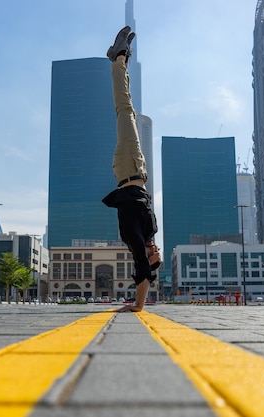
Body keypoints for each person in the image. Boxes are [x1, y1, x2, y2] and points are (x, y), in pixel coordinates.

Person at [102, 26, 161, 313]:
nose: (156, 253)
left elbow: (142, 269)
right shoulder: (152, 231)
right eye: (157, 255)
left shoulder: (134, 236)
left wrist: (138, 305)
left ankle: (118, 59)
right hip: (138, 171)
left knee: (124, 110)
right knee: (128, 111)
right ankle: (121, 61)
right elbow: (146, 266)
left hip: (128, 169)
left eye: (154, 257)